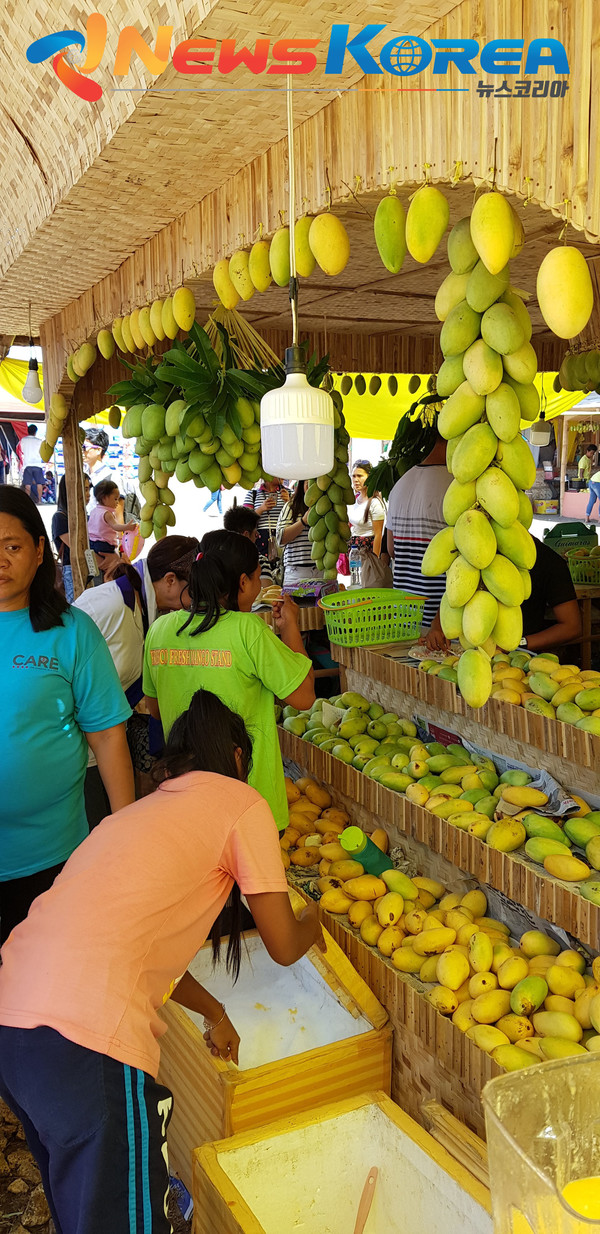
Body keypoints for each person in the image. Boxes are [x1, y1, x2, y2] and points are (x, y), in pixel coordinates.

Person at [0, 689, 324, 1234]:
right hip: (88, 1044)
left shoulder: (136, 817)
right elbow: (285, 945)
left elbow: (132, 947)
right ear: (238, 759)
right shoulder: (240, 803)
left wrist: (214, 1011)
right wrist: (319, 914)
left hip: (16, 1025)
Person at [0, 487, 134, 945]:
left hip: (51, 856)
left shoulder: (71, 631)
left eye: (12, 547)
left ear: (39, 551)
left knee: (45, 987)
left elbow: (108, 737)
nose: (0, 560)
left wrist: (123, 833)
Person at [143, 530, 314, 830]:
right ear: (243, 582)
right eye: (259, 577)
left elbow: (155, 710)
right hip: (249, 803)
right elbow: (304, 696)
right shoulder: (248, 630)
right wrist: (290, 629)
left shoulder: (159, 630)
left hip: (185, 803)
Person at [74, 537, 201, 826]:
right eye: (192, 590)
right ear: (170, 580)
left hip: (104, 751)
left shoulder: (143, 611)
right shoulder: (108, 606)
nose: (194, 601)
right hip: (80, 757)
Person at [386, 434, 452, 634]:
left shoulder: (401, 484)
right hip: (440, 626)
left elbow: (391, 549)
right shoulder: (455, 487)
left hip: (403, 616)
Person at [521, 536, 582, 653]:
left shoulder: (548, 560)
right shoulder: (479, 558)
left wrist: (519, 643)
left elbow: (571, 627)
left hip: (520, 655)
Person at [51, 474, 91, 603]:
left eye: (88, 488)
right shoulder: (60, 517)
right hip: (72, 570)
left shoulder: (85, 516)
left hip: (87, 568)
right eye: (84, 489)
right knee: (76, 608)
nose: (88, 494)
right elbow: (78, 547)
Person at [276, 481, 324, 586]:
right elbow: (280, 538)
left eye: (315, 482)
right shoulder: (291, 506)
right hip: (295, 573)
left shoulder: (326, 506)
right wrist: (303, 521)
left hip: (321, 573)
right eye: (308, 483)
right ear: (302, 484)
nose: (312, 487)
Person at [87, 479, 138, 571]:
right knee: (115, 563)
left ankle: (105, 574)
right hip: (104, 545)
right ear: (104, 498)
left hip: (92, 543)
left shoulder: (94, 511)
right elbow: (115, 526)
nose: (117, 502)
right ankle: (108, 577)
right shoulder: (106, 513)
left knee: (107, 564)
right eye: (115, 499)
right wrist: (128, 527)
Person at [224, 504, 281, 584]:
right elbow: (266, 591)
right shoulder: (258, 561)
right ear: (246, 535)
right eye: (255, 531)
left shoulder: (218, 561)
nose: (257, 535)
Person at [348, 460, 386, 556]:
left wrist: (375, 560)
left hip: (368, 552)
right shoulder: (354, 499)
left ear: (370, 477)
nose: (356, 479)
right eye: (354, 476)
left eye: (360, 476)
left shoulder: (375, 503)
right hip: (354, 551)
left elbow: (378, 535)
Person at [243, 478, 288, 558]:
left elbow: (299, 517)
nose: (282, 476)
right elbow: (245, 520)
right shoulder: (253, 494)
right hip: (260, 541)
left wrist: (289, 502)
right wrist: (261, 509)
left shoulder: (289, 493)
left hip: (285, 539)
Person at [83, 428, 115, 510]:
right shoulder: (83, 474)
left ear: (98, 450)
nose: (81, 451)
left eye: (84, 447)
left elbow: (118, 510)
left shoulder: (111, 477)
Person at [20, 425, 44, 504]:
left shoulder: (23, 440)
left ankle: (28, 501)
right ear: (35, 432)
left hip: (27, 464)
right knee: (39, 483)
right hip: (37, 464)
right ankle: (39, 500)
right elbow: (41, 452)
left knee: (28, 483)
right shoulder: (39, 441)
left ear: (28, 431)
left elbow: (22, 451)